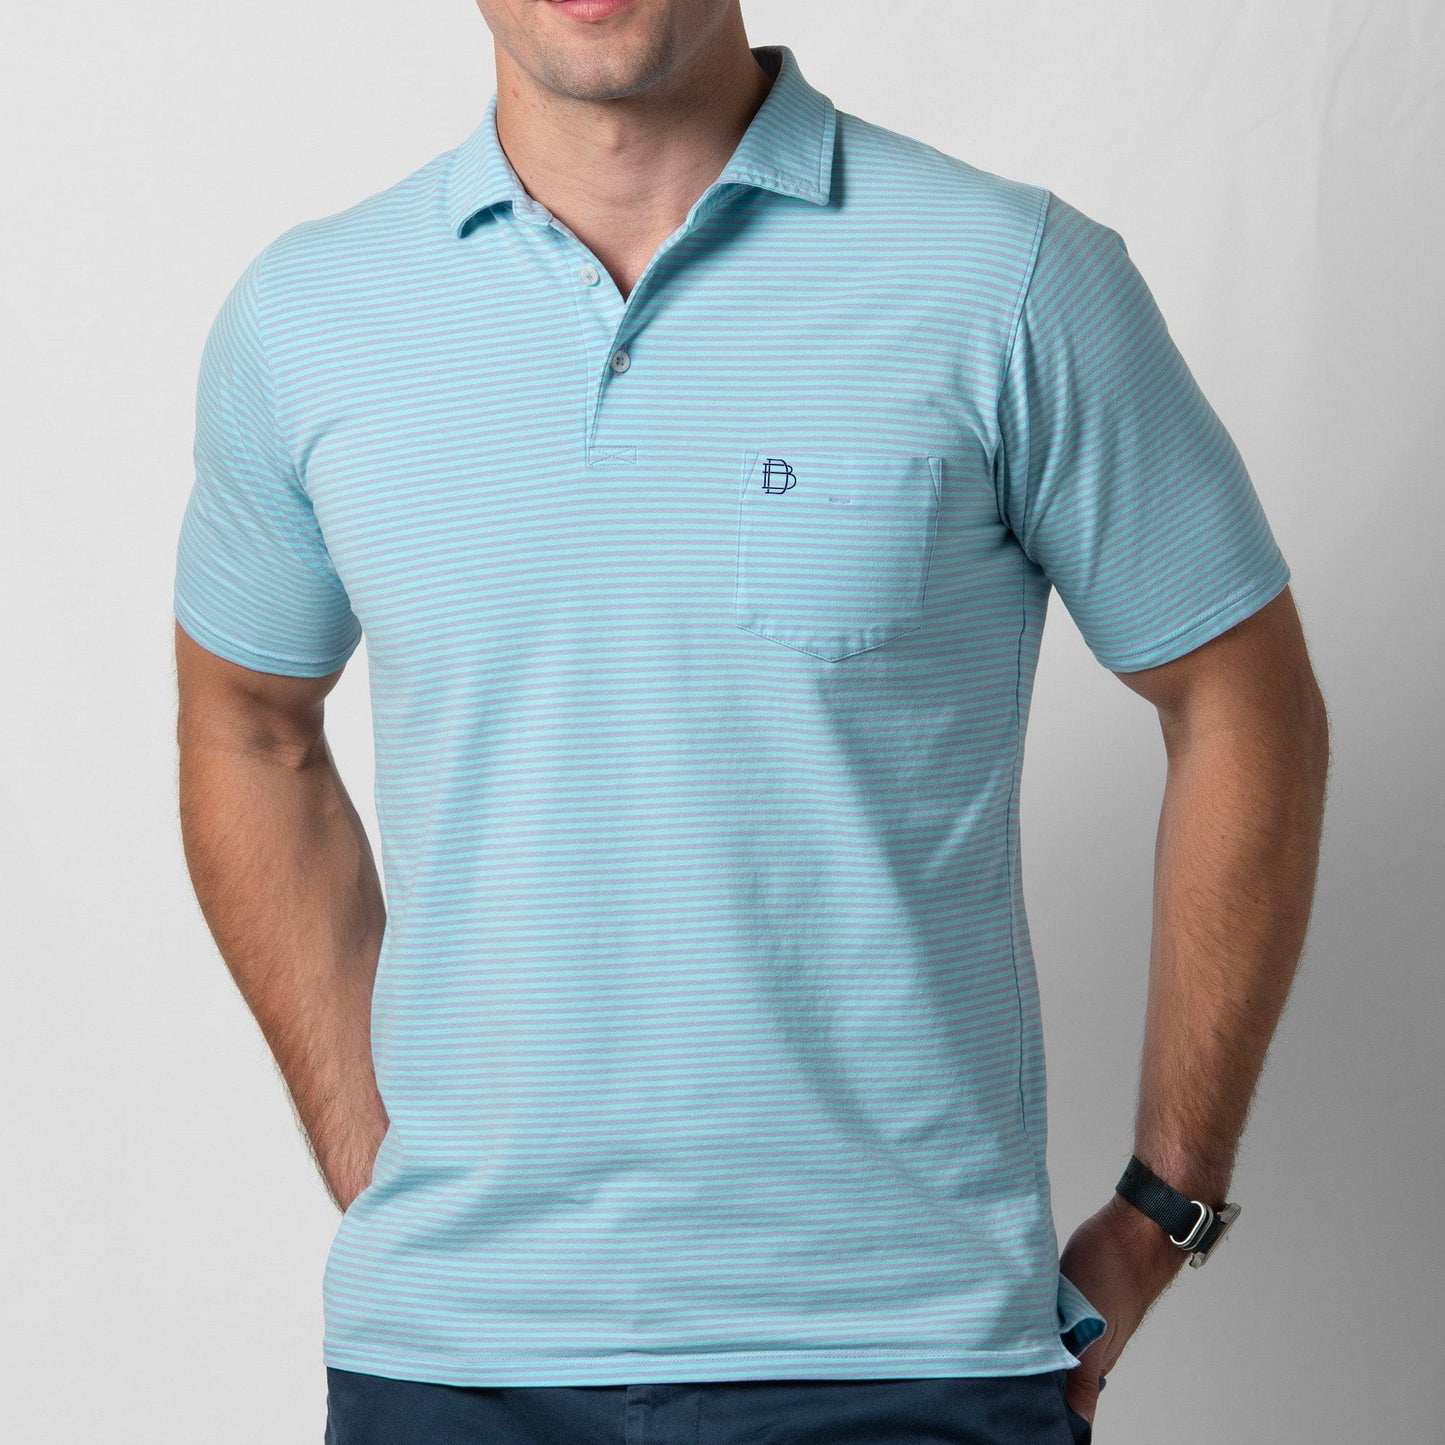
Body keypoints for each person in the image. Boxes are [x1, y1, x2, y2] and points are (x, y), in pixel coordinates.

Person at [171, 2, 1329, 1441]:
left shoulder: (1012, 277)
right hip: (450, 1369)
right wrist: (381, 1164)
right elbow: (249, 723)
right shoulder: (307, 319)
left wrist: (1167, 1204)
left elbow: (1242, 699)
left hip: (905, 1360)